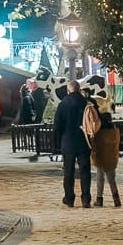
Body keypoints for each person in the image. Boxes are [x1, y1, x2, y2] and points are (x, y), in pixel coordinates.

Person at [53, 78, 93, 207]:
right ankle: (86, 198)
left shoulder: (63, 104)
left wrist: (57, 143)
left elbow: (57, 126)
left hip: (68, 142)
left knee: (68, 172)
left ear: (68, 90)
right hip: (84, 141)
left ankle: (69, 198)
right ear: (79, 89)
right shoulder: (86, 103)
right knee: (85, 171)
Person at [90, 92, 122, 208]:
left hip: (101, 157)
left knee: (100, 178)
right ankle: (116, 198)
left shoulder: (99, 133)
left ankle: (99, 199)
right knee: (112, 179)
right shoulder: (114, 132)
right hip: (111, 158)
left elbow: (94, 144)